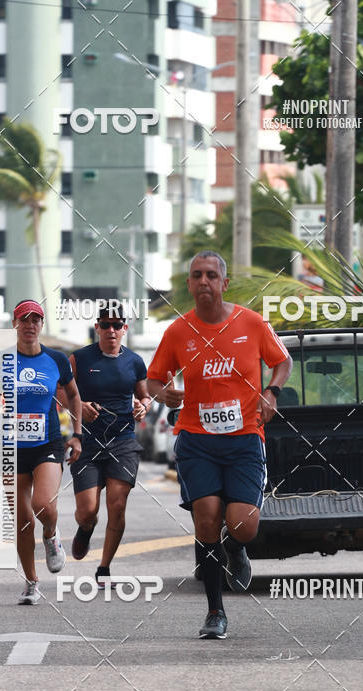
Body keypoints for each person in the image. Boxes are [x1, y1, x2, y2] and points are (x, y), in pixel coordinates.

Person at [147, 251, 292, 639]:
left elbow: (282, 360)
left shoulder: (252, 322)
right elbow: (154, 379)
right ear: (190, 285)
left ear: (223, 283)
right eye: (197, 275)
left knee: (242, 525)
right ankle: (215, 611)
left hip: (245, 438)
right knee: (207, 519)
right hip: (197, 440)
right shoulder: (177, 332)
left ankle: (236, 549)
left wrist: (272, 392)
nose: (204, 281)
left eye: (212, 275)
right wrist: (165, 394)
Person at [66, 302, 151, 587]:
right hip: (88, 443)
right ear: (97, 328)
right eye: (106, 325)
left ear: (125, 329)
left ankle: (104, 568)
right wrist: (80, 405)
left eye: (117, 325)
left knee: (117, 505)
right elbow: (60, 395)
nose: (111, 330)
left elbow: (144, 395)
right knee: (88, 510)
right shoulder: (79, 359)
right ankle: (85, 528)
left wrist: (144, 406)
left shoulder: (136, 362)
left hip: (123, 442)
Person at [12, 300, 82, 604]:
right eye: (24, 320)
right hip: (11, 447)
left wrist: (77, 435)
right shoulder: (0, 361)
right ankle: (31, 582)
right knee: (22, 521)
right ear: (15, 323)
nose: (30, 325)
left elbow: (74, 395)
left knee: (44, 506)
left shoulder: (55, 359)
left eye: (35, 320)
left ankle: (52, 535)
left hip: (48, 443)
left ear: (41, 325)